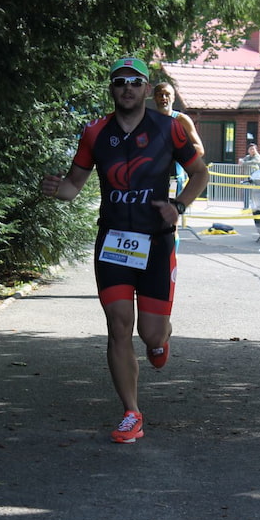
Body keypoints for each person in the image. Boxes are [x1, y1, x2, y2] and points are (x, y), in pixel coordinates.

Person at [41, 58, 209, 444]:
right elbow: (73, 186)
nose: (128, 88)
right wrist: (55, 189)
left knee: (150, 335)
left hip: (156, 240)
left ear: (147, 90)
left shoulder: (170, 128)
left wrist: (179, 206)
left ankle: (160, 341)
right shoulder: (95, 132)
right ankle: (131, 412)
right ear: (112, 89)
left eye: (135, 82)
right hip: (113, 242)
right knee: (118, 327)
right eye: (120, 82)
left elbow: (201, 173)